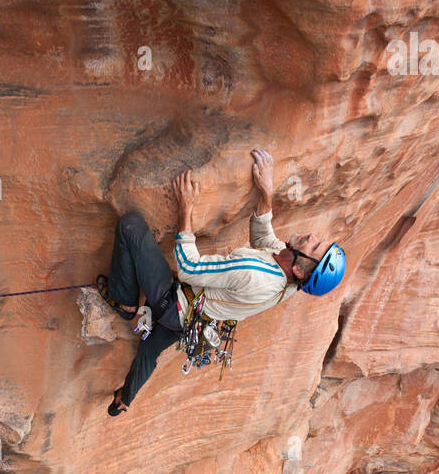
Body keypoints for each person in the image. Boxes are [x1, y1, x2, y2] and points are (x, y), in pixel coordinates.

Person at [97, 148, 346, 415]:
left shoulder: (253, 271)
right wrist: (266, 192)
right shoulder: (290, 282)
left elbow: (189, 267)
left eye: (314, 245)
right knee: (149, 350)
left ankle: (123, 302)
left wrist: (186, 208)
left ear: (298, 269)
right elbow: (264, 241)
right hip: (192, 322)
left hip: (174, 303)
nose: (311, 236)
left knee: (131, 226)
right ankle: (123, 400)